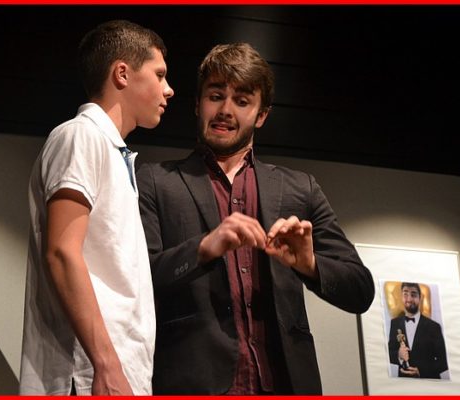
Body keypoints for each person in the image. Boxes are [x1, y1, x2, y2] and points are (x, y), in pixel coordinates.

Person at [136, 42, 374, 395]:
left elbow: (360, 290)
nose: (225, 110)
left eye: (242, 101)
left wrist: (309, 264)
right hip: (193, 384)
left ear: (261, 115)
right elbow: (136, 282)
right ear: (198, 103)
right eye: (216, 96)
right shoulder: (155, 181)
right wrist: (203, 248)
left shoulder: (300, 188)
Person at [19, 20, 174, 395]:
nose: (168, 89)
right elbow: (62, 252)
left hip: (113, 373)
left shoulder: (111, 149)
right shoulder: (81, 135)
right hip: (87, 376)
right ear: (122, 73)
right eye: (159, 74)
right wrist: (106, 365)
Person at [388, 282, 448, 379]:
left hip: (429, 383)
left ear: (420, 298)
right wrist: (399, 355)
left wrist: (421, 371)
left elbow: (444, 361)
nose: (409, 299)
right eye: (405, 294)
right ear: (401, 297)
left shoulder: (434, 327)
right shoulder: (394, 323)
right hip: (403, 383)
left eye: (413, 295)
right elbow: (389, 354)